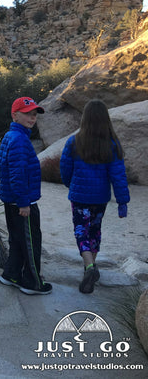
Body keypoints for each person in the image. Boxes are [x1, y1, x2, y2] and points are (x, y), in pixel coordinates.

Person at [60, 99, 130, 294]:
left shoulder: (74, 141)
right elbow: (118, 175)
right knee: (95, 231)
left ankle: (89, 266)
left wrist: (69, 184)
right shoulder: (112, 144)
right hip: (100, 198)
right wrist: (122, 201)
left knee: (81, 230)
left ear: (85, 119)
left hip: (79, 196)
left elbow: (65, 168)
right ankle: (90, 266)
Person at [0, 97, 52, 295]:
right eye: (27, 113)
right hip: (22, 202)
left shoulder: (11, 136)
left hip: (12, 200)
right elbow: (17, 174)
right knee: (31, 242)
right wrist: (23, 202)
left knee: (18, 240)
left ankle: (11, 274)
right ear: (15, 115)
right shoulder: (20, 140)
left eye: (34, 114)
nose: (32, 117)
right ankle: (32, 283)